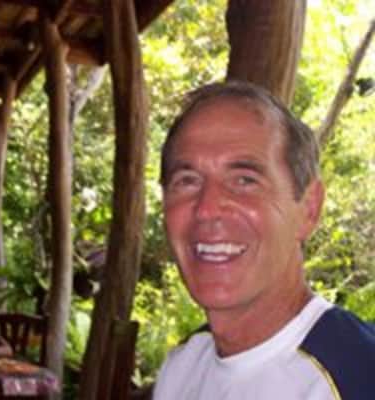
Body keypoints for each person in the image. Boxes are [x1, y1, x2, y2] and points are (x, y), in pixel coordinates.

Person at [153, 81, 375, 400]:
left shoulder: (356, 378)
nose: (207, 209)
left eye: (245, 180)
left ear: (309, 209)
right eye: (187, 181)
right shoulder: (184, 366)